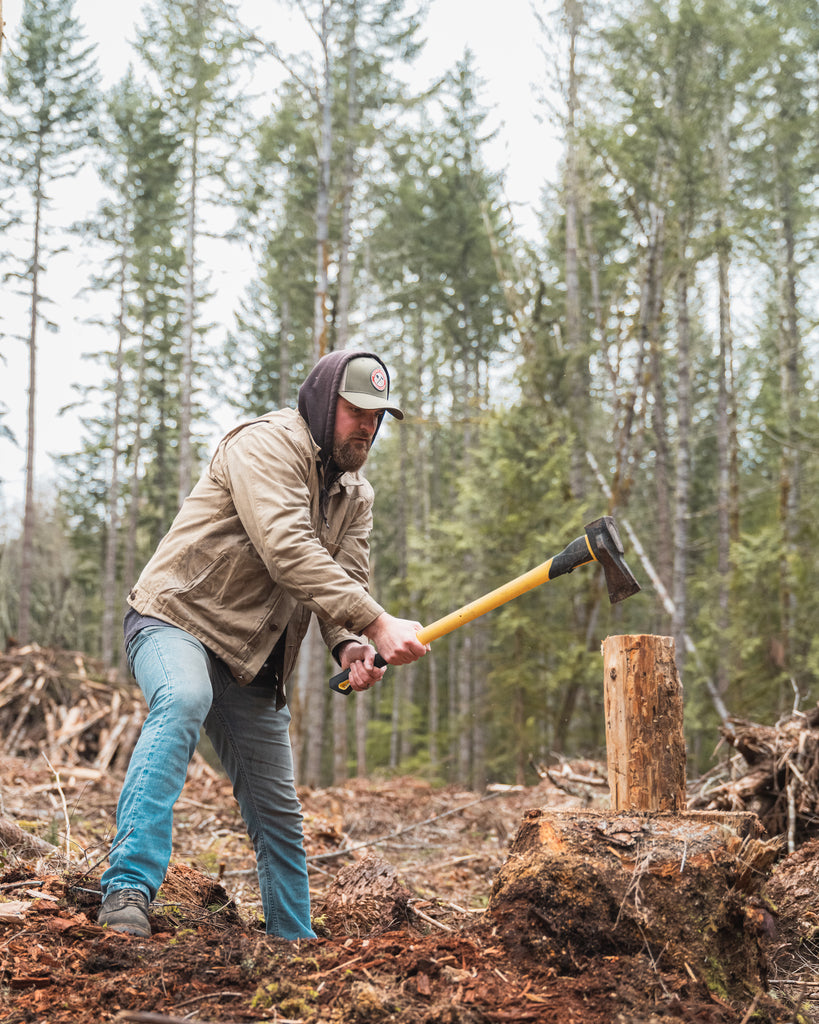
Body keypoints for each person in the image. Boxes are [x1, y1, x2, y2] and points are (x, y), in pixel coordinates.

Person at [98, 351, 428, 939]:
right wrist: (379, 623)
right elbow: (288, 550)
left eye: (377, 416)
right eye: (356, 411)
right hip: (176, 620)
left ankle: (292, 942)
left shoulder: (356, 494)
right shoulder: (267, 445)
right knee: (183, 700)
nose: (368, 426)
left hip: (252, 660)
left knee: (278, 810)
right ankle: (127, 888)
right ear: (324, 404)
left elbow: (346, 580)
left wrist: (351, 643)